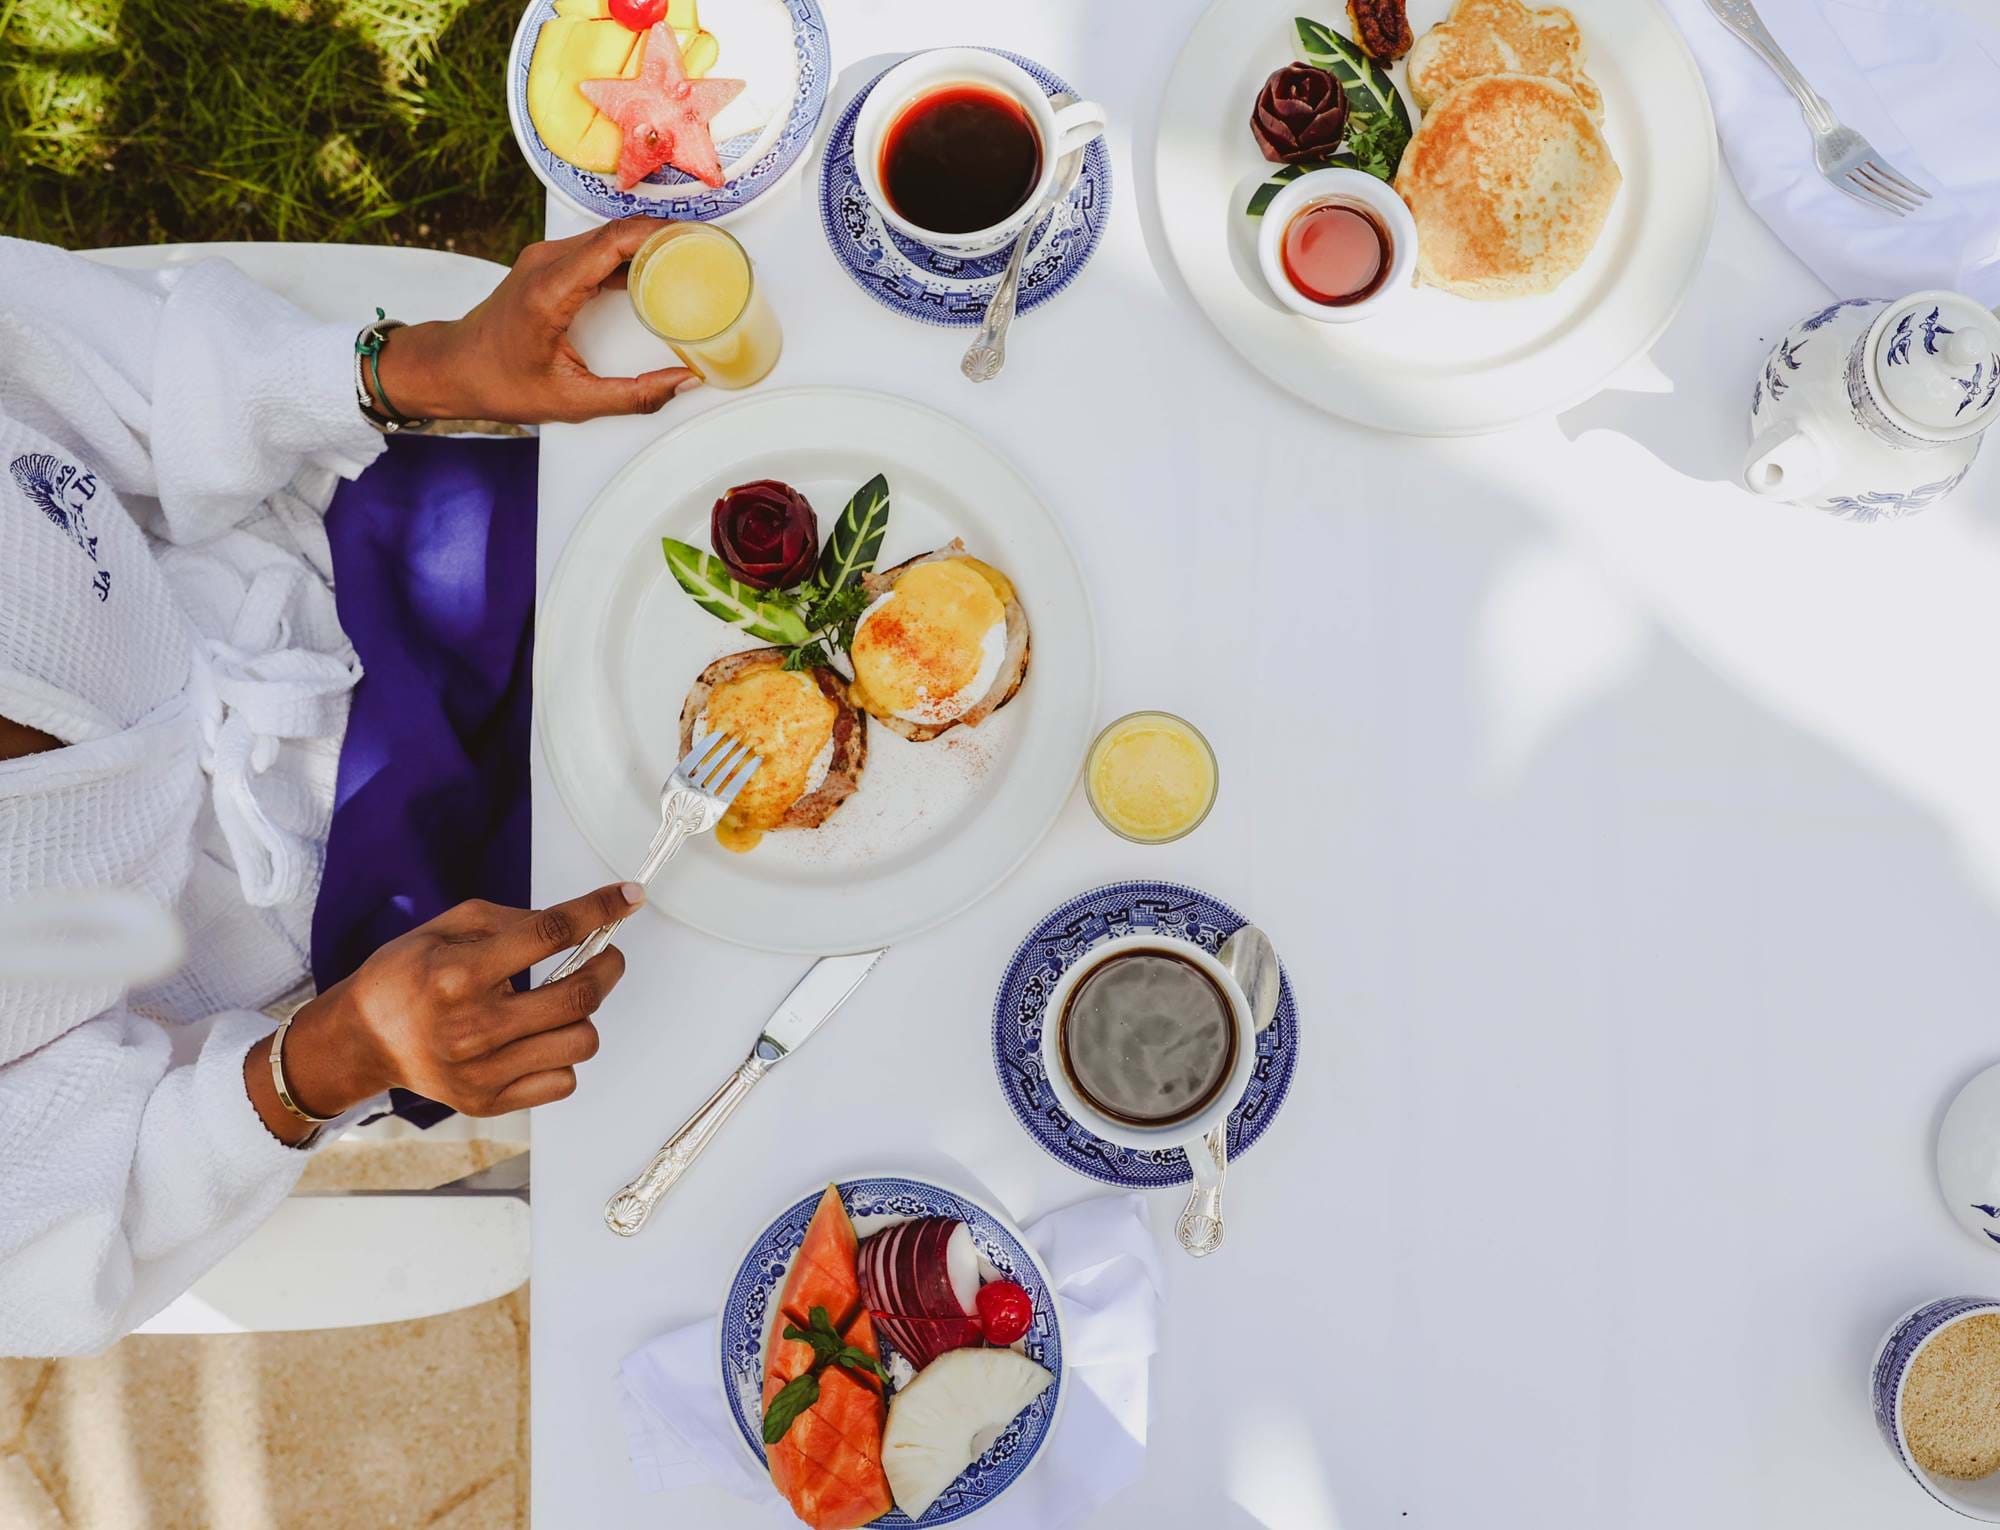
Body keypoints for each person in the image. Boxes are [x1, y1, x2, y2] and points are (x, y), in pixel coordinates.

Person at [0, 221, 692, 1356]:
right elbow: (45, 1236)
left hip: (371, 560)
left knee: (770, 520)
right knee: (785, 934)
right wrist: (336, 1058)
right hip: (396, 936)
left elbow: (120, 375)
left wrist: (430, 365)